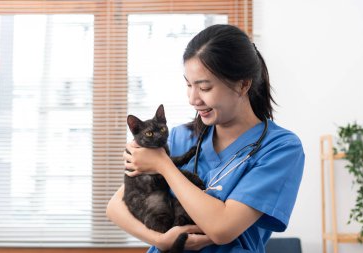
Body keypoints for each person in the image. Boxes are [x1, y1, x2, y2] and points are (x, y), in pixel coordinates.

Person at [106, 24, 305, 253]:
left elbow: (221, 229)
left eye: (205, 87)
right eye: (189, 85)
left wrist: (164, 166)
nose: (193, 98)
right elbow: (115, 207)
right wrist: (160, 241)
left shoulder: (280, 148)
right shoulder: (180, 137)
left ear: (243, 84)